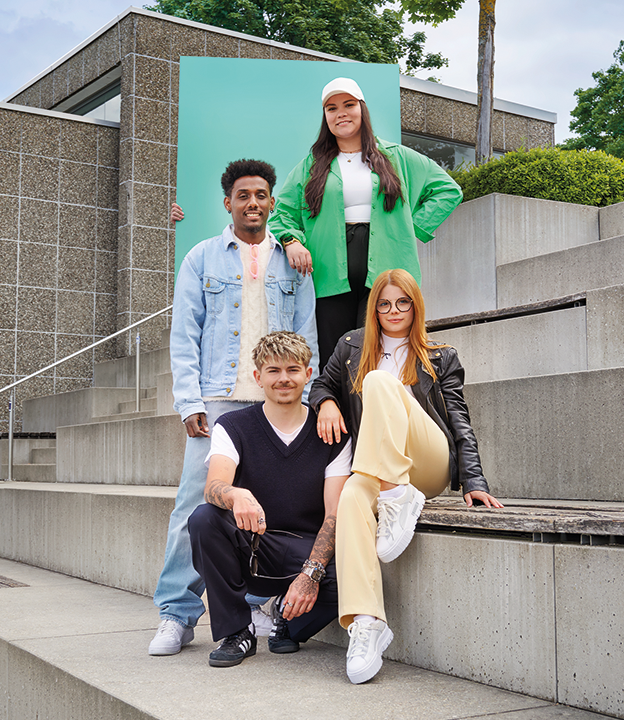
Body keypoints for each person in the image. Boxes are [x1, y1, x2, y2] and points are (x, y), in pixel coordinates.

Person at [148, 160, 318, 656]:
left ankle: (257, 603)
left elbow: (306, 333)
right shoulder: (201, 258)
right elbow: (185, 336)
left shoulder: (294, 261)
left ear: (271, 202)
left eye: (261, 195)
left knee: (275, 506)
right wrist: (189, 401)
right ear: (228, 203)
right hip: (220, 398)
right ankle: (176, 615)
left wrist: (305, 397)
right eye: (243, 195)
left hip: (279, 398)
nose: (253, 203)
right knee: (195, 506)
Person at [308, 268, 503, 684]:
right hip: (379, 469)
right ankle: (367, 622)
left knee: (379, 381)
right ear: (373, 309)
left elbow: (459, 421)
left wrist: (474, 482)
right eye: (384, 304)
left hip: (427, 463)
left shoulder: (440, 355)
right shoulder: (350, 347)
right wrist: (326, 402)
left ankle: (399, 494)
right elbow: (320, 385)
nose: (393, 311)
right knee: (352, 497)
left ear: (416, 307)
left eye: (403, 303)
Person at [270, 77, 463, 369]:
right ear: (325, 117)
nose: (341, 113)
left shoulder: (396, 157)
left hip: (387, 271)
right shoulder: (312, 165)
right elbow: (282, 211)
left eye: (349, 105)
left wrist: (412, 229)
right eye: (332, 108)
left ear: (362, 109)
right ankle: (336, 414)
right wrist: (291, 240)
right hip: (328, 274)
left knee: (381, 355)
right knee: (336, 356)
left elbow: (448, 191)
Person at [188, 331, 350, 666]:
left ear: (308, 374)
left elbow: (334, 513)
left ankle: (287, 626)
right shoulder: (234, 426)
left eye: (292, 369)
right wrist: (235, 494)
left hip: (304, 548)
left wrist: (311, 573)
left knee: (347, 580)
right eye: (273, 371)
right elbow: (213, 486)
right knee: (204, 519)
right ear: (257, 377)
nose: (283, 379)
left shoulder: (332, 433)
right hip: (253, 546)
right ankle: (237, 632)